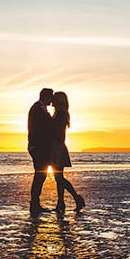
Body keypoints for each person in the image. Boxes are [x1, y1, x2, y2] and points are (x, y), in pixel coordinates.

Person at [51, 91, 85, 214]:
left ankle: (76, 198)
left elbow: (56, 132)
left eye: (54, 99)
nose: (52, 101)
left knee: (59, 177)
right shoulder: (61, 114)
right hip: (58, 147)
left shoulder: (60, 114)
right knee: (58, 177)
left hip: (57, 148)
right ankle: (61, 202)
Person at [27, 87, 54, 216]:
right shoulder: (38, 109)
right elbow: (39, 127)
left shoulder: (39, 108)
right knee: (39, 175)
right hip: (38, 146)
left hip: (40, 146)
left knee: (41, 175)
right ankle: (34, 204)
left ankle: (35, 203)